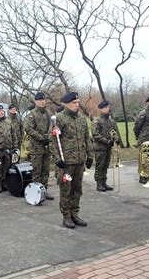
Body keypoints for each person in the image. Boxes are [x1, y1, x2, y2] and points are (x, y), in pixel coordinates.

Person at [49, 92, 93, 229]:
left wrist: (90, 155)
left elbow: (87, 138)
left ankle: (75, 213)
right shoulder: (59, 119)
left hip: (79, 161)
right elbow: (52, 141)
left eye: (78, 102)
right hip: (66, 162)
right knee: (66, 190)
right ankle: (66, 216)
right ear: (67, 104)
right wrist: (57, 159)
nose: (77, 105)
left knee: (77, 190)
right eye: (74, 103)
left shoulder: (81, 119)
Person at [24, 92, 55, 201]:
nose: (43, 102)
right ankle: (35, 193)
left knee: (45, 170)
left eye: (44, 100)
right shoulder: (32, 114)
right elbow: (29, 129)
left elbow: (53, 126)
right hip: (37, 147)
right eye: (40, 100)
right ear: (36, 101)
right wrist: (42, 138)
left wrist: (49, 136)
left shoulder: (48, 113)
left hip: (47, 146)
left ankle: (44, 190)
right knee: (37, 171)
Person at [92, 100, 123, 192]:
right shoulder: (97, 121)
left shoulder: (111, 121)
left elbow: (114, 132)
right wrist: (106, 141)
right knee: (100, 166)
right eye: (105, 108)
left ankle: (104, 182)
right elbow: (95, 134)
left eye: (108, 107)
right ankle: (99, 184)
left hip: (108, 147)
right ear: (101, 109)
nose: (107, 109)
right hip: (100, 148)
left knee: (106, 166)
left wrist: (116, 140)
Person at [0, 104, 18, 193]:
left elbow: (13, 134)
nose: (1, 112)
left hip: (8, 148)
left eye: (2, 111)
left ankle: (5, 183)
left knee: (7, 166)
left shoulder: (8, 121)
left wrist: (15, 146)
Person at [134, 93, 149, 184]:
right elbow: (137, 127)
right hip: (145, 140)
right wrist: (139, 138)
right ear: (148, 102)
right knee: (144, 158)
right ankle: (142, 176)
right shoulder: (143, 113)